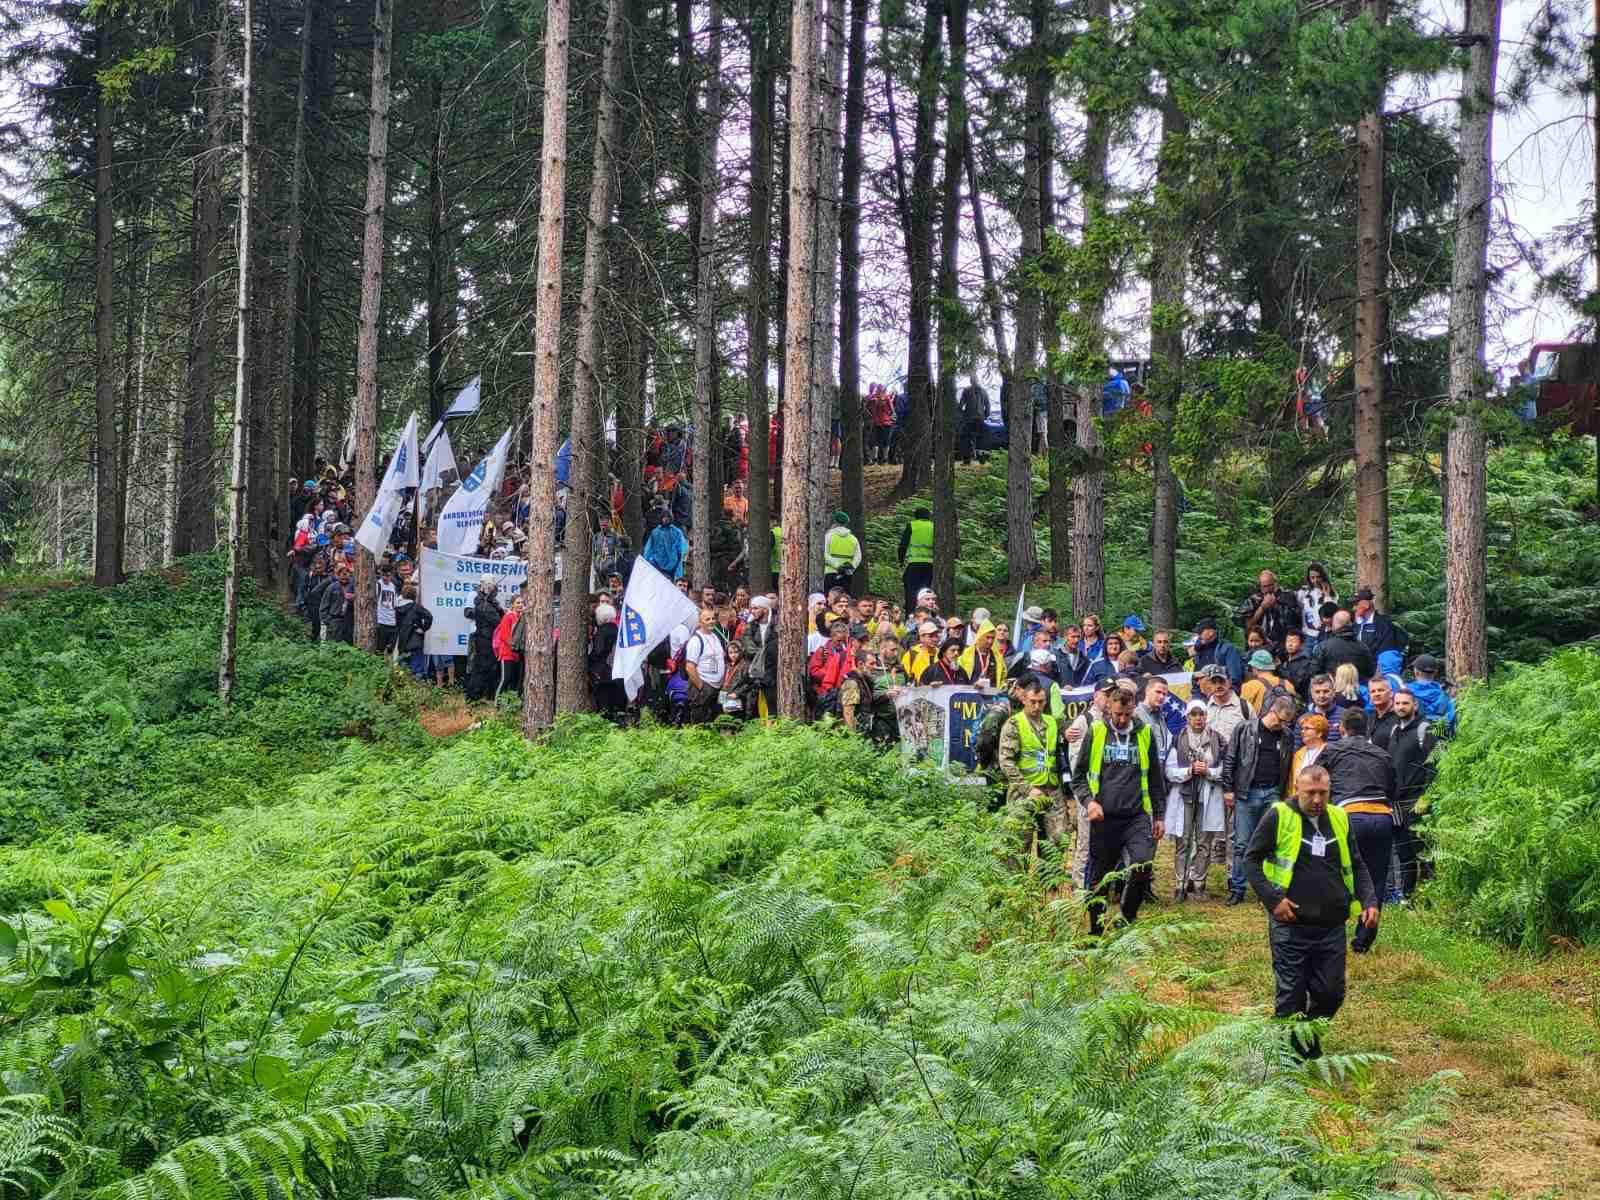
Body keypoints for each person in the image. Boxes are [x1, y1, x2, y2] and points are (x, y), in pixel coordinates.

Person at [1245, 763, 1380, 1058]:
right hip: (1290, 924)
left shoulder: (1339, 817)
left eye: (1323, 793)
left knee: (1331, 994)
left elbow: (1356, 864)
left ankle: (1307, 1037)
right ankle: (1290, 1061)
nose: (1318, 800)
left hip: (1331, 924)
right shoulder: (1279, 815)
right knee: (1290, 998)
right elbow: (1251, 861)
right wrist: (1272, 899)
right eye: (1310, 794)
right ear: (1297, 789)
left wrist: (1369, 900)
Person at [1070, 685, 1166, 935]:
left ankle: (1127, 917)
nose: (1122, 720)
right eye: (1117, 715)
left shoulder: (1144, 733)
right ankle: (1096, 931)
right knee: (1100, 877)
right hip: (1104, 817)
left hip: (1136, 815)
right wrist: (1089, 802)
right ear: (1109, 709)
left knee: (1142, 865)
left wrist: (1159, 815)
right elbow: (1078, 776)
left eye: (1126, 714)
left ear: (1133, 708)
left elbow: (1156, 777)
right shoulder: (1097, 731)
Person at [1318, 708, 1396, 952]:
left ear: (1342, 727)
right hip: (1382, 817)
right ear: (1368, 728)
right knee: (1377, 879)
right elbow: (1394, 789)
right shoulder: (1382, 754)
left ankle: (1333, 932)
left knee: (1336, 874)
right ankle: (1363, 940)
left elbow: (1315, 782)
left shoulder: (1332, 750)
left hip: (1349, 815)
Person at [1221, 697, 1297, 905]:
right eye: (1280, 720)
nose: (1282, 725)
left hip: (1272, 792)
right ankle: (1238, 888)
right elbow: (1231, 758)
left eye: (1286, 722)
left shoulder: (1287, 735)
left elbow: (1287, 764)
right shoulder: (1244, 729)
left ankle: (1268, 890)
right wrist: (1228, 788)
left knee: (1271, 843)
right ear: (1272, 711)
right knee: (1242, 843)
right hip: (1247, 792)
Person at [997, 676, 1067, 864]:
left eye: (1041, 702)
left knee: (1056, 841)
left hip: (1051, 789)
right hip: (1024, 792)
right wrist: (1028, 789)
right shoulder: (1014, 724)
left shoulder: (1052, 722)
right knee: (1019, 844)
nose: (1037, 706)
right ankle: (1018, 890)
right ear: (1024, 700)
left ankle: (1050, 887)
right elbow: (1006, 762)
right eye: (1033, 702)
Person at [1164, 699, 1226, 902]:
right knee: (1183, 840)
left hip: (1208, 793)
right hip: (1185, 795)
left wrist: (1209, 771)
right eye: (1194, 714)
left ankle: (1199, 883)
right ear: (1187, 717)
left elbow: (1225, 769)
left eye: (1201, 714)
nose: (1198, 718)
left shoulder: (1217, 740)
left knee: (1204, 841)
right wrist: (1189, 771)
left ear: (1206, 716)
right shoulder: (1178, 739)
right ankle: (1180, 884)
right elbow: (1169, 771)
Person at [1388, 688, 1438, 899]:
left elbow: (1436, 765)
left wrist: (1427, 797)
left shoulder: (1425, 729)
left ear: (1414, 706)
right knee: (1403, 852)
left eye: (1405, 703)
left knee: (1423, 851)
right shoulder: (1394, 731)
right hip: (1397, 803)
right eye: (1398, 703)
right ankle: (1407, 898)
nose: (1401, 707)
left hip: (1417, 800)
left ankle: (1430, 897)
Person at [681, 606, 729, 724]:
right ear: (700, 622)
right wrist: (702, 687)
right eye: (707, 619)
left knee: (716, 721)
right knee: (700, 724)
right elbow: (690, 667)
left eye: (713, 618)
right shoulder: (695, 640)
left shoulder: (715, 636)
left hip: (718, 687)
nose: (711, 621)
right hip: (703, 687)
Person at [461, 577, 504, 701]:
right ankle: (473, 696)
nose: (493, 589)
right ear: (484, 586)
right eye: (490, 586)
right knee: (481, 666)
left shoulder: (489, 602)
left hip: (490, 638)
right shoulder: (481, 602)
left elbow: (499, 614)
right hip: (484, 638)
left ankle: (485, 695)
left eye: (493, 586)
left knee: (490, 666)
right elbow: (497, 620)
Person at [1235, 569, 1293, 651]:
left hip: (1282, 644)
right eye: (1265, 586)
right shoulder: (1253, 600)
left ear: (1276, 583)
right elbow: (1248, 625)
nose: (1268, 589)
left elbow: (1293, 622)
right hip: (1258, 644)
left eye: (1270, 585)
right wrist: (1262, 608)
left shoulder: (1287, 597)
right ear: (1260, 586)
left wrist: (1277, 605)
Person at [1310, 610, 1376, 681]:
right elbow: (1371, 671)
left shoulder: (1323, 646)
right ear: (1351, 624)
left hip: (1333, 688)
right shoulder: (1363, 647)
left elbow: (1314, 672)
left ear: (1334, 624)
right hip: (1357, 688)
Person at [589, 601, 626, 717]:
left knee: (604, 708)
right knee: (616, 706)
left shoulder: (602, 632)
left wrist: (588, 661)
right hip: (619, 674)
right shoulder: (618, 630)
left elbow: (598, 651)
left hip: (603, 675)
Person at [1405, 653, 1457, 733]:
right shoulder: (1447, 695)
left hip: (1413, 738)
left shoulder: (1405, 692)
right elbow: (1452, 723)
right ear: (1435, 672)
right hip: (1440, 741)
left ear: (1416, 672)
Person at [1351, 587, 1409, 659]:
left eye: (1356, 604)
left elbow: (1385, 652)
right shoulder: (1354, 624)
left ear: (1366, 604)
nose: (1354, 608)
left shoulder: (1384, 625)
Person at [394, 583, 434, 681]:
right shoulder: (416, 607)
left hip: (402, 643)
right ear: (414, 595)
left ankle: (405, 692)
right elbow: (429, 616)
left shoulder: (397, 609)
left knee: (403, 670)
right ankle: (417, 692)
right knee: (417, 671)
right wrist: (423, 628)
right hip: (415, 641)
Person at [898, 507, 935, 610]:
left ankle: (910, 611)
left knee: (911, 589)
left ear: (916, 516)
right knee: (925, 589)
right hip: (929, 564)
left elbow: (903, 545)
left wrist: (900, 560)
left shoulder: (912, 525)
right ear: (928, 516)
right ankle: (926, 611)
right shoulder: (933, 526)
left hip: (914, 563)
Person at [1192, 618, 1245, 686]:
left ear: (1211, 632)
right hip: (1200, 690)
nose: (1198, 636)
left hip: (1222, 689)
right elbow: (1195, 675)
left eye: (1200, 633)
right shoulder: (1199, 649)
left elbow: (1235, 677)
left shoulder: (1228, 648)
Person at [642, 506, 690, 581]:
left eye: (668, 517)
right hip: (657, 564)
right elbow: (649, 549)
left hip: (673, 565)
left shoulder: (676, 532)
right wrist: (649, 560)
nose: (666, 519)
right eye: (664, 517)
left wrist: (679, 558)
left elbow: (682, 547)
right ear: (661, 518)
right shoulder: (655, 532)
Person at [1240, 649, 1293, 715]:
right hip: (1285, 724)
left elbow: (1242, 713)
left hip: (1260, 724)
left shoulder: (1249, 686)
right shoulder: (1287, 683)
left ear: (1255, 667)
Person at [822, 510, 863, 595]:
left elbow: (824, 554)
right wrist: (851, 566)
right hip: (847, 574)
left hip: (830, 573)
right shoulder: (853, 538)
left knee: (830, 599)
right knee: (845, 599)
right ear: (846, 523)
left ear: (835, 522)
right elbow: (858, 557)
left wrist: (837, 566)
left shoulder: (828, 536)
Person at [1288, 713, 1330, 796]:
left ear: (1319, 733)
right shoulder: (1299, 754)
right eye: (1302, 729)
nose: (1302, 732)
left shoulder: (1329, 752)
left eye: (1307, 728)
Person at [1296, 562, 1338, 642]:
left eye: (1318, 577)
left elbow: (1330, 613)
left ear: (1323, 576)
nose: (1315, 580)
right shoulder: (1304, 593)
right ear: (1309, 578)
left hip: (1325, 634)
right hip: (1308, 634)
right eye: (1312, 577)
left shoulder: (1332, 593)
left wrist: (1327, 596)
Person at [492, 596, 524, 698]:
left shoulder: (521, 617)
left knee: (515, 681)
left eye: (522, 603)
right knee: (505, 679)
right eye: (518, 603)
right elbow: (504, 636)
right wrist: (514, 646)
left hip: (517, 655)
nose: (520, 605)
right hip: (507, 653)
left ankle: (511, 704)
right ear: (512, 604)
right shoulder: (508, 616)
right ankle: (498, 703)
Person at [959, 622, 1005, 688]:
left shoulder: (998, 657)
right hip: (970, 694)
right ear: (980, 636)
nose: (990, 641)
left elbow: (1003, 677)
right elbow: (959, 676)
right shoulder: (966, 654)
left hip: (991, 696)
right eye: (988, 637)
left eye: (992, 638)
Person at [1306, 674, 1346, 743]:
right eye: (1317, 692)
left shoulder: (1345, 716)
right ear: (1312, 694)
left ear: (1333, 692)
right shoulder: (1304, 720)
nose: (1322, 695)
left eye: (1326, 691)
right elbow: (1298, 750)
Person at [1279, 630, 1316, 700]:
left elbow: (1296, 683)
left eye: (1293, 641)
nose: (1290, 644)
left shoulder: (1305, 662)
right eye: (1288, 641)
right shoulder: (1283, 658)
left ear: (1301, 644)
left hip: (1298, 700)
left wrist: (1280, 669)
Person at [958, 378, 988, 463]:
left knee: (966, 439)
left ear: (970, 381)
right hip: (980, 419)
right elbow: (988, 406)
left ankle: (967, 460)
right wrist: (985, 416)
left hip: (969, 419)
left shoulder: (966, 391)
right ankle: (981, 460)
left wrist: (963, 415)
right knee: (980, 439)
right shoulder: (984, 391)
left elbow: (960, 406)